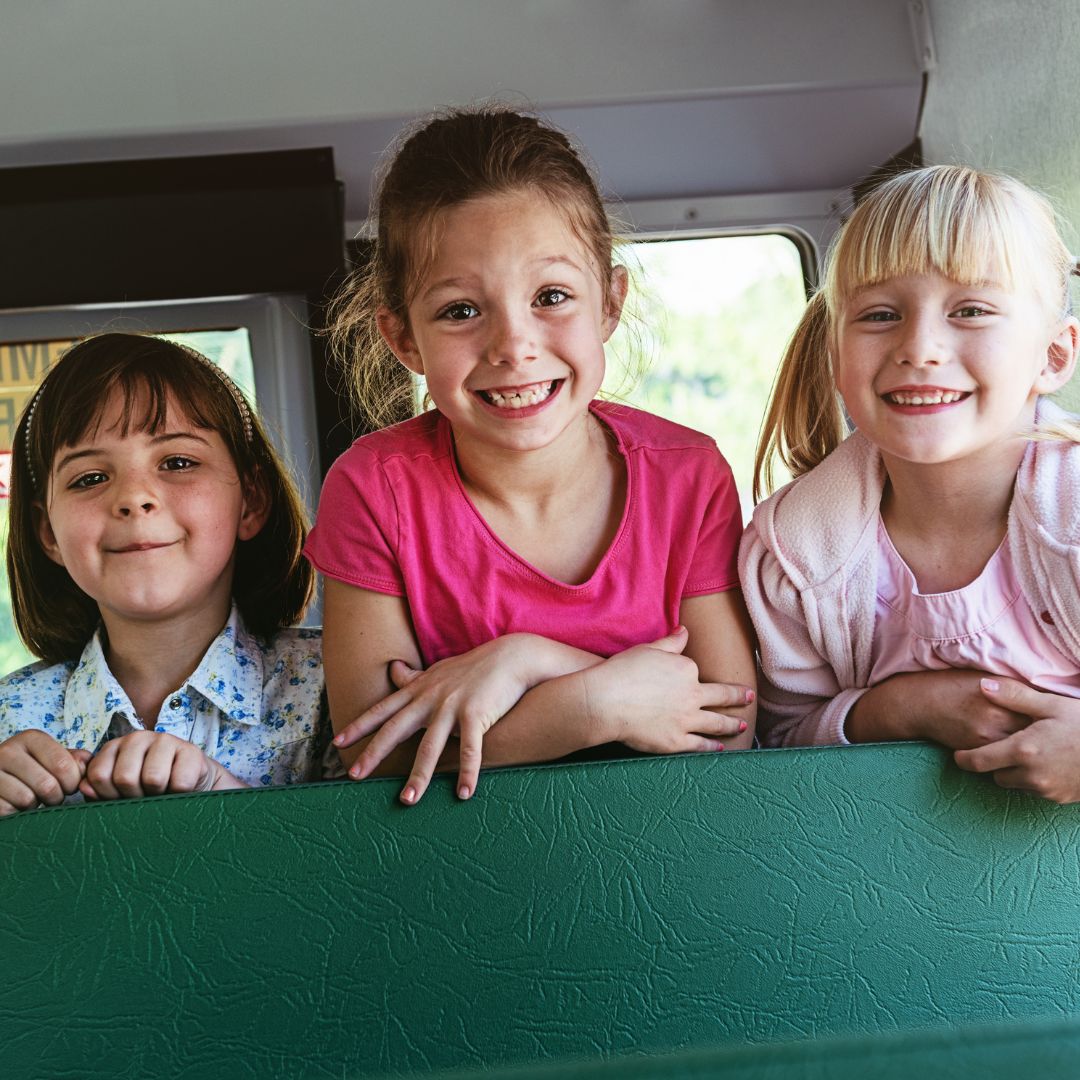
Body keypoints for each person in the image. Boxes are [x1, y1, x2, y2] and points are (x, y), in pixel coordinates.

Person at [305, 105, 757, 805]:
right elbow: (377, 749)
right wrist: (597, 704)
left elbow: (728, 727)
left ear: (609, 303)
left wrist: (526, 660)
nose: (513, 346)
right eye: (460, 310)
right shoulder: (374, 489)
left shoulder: (687, 473)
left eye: (551, 297)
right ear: (402, 339)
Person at [741, 165, 1080, 802]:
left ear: (1053, 356)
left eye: (972, 310)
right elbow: (779, 745)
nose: (919, 347)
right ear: (836, 356)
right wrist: (893, 711)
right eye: (879, 315)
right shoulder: (794, 552)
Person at [0, 333, 329, 815]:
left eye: (178, 462)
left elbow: (370, 881)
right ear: (48, 532)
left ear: (251, 502)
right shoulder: (7, 717)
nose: (134, 498)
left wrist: (218, 789)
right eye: (90, 478)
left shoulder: (335, 689)